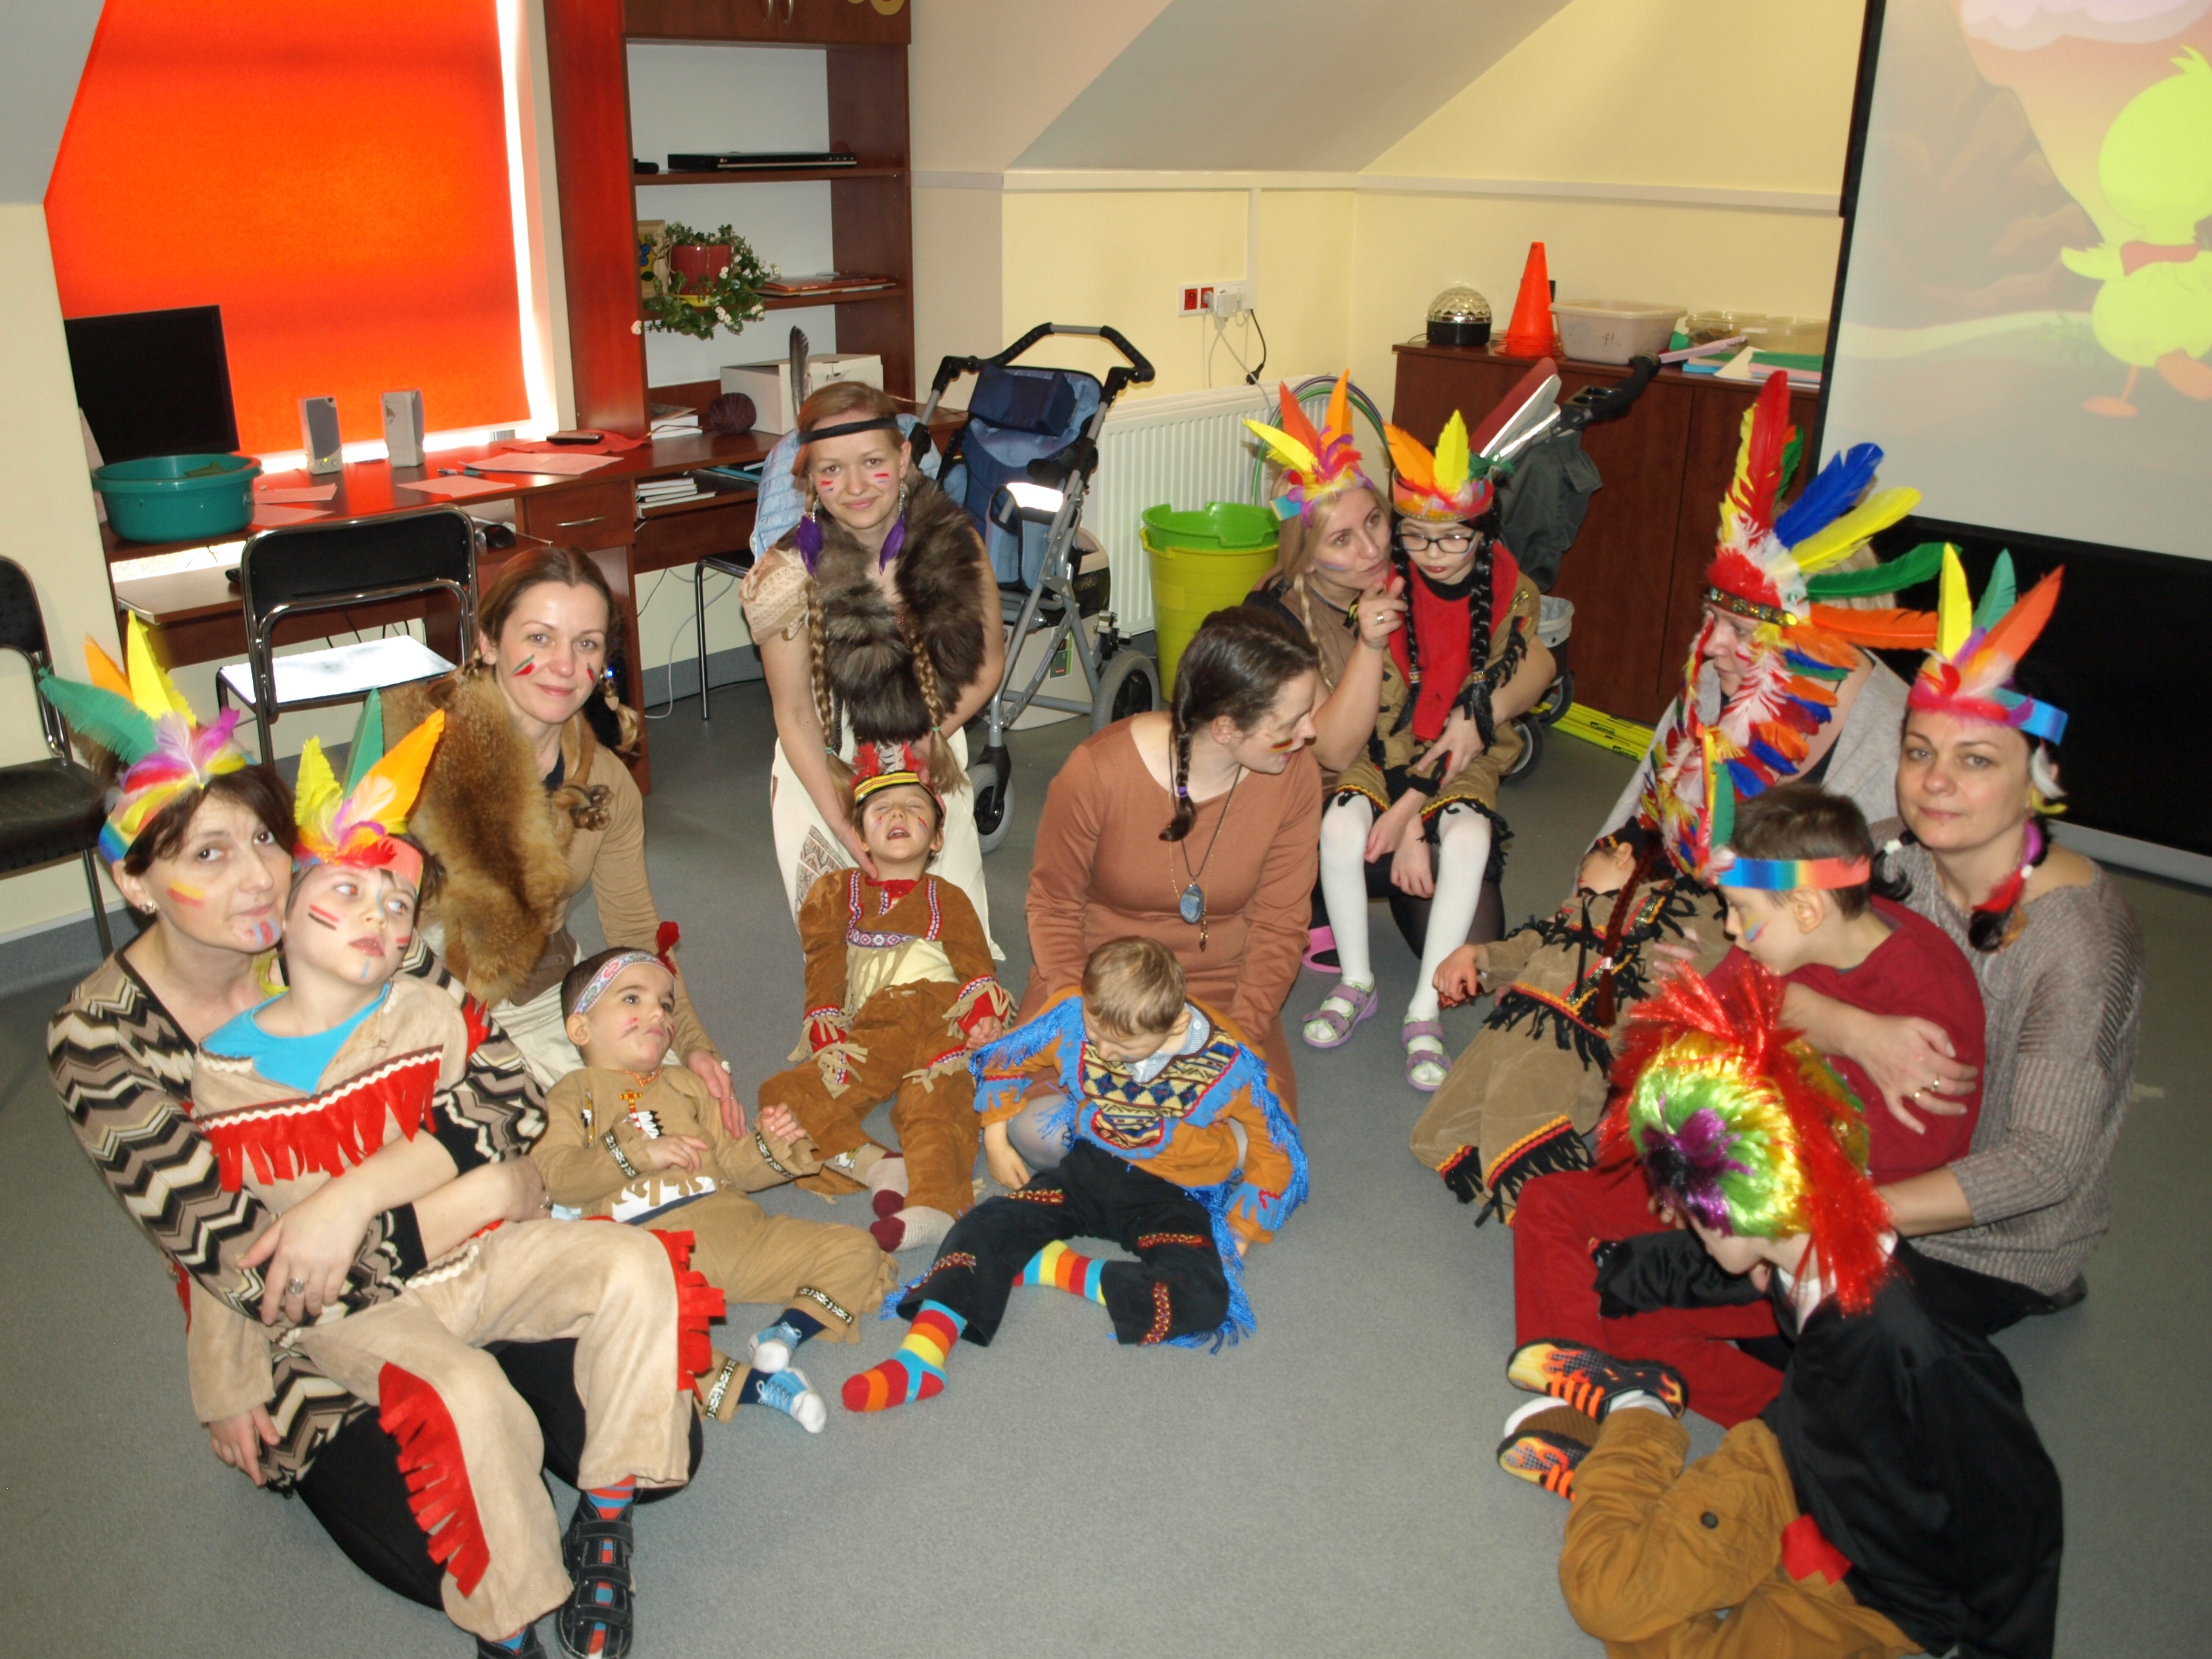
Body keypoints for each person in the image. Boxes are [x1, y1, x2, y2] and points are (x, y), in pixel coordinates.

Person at [42, 636, 661, 1655]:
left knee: (649, 1439)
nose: (258, 878)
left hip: (455, 1262)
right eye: (207, 855)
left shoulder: (340, 919)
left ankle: (504, 1394)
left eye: (263, 839)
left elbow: (507, 1093)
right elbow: (261, 1274)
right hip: (303, 1335)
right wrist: (480, 1193)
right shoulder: (100, 1039)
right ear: (138, 882)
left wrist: (351, 1201)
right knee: (447, 1550)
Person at [183, 712, 711, 1659]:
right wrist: (227, 1383)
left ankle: (605, 1516)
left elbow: (508, 1116)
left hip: (482, 1257)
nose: (383, 918)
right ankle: (506, 1626)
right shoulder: (226, 1072)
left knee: (639, 1267)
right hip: (359, 1312)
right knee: (468, 1395)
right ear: (284, 914)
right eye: (349, 891)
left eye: (399, 905)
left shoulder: (428, 1012)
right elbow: (222, 1248)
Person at [1420, 376, 1939, 1213]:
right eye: (1714, 616)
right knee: (1561, 998)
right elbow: (1640, 812)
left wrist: (1731, 971)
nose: (1714, 643)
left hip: (1799, 963)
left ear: (1817, 638)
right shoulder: (1719, 674)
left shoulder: (1895, 743)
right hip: (1689, 913)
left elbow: (1886, 941)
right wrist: (1591, 917)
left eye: (1742, 629)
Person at [1496, 965, 2060, 1659]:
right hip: (1783, 1464)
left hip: (1876, 1590)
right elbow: (1710, 1273)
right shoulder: (1796, 1248)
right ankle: (1638, 1414)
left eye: (1688, 1215)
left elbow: (2019, 1518)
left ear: (1736, 1213)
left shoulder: (1918, 1345)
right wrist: (1618, 1276)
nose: (1678, 1223)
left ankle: (1621, 1443)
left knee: (1630, 1619)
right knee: (1604, 1595)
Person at [1786, 550, 2144, 1336]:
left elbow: (2043, 1163)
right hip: (1866, 1156)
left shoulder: (2076, 944)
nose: (1935, 781)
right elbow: (1753, 973)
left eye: (1975, 760)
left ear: (2041, 776)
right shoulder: (1887, 859)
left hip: (1986, 1243)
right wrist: (1851, 1029)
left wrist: (1838, 1213)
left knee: (1813, 1325)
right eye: (1920, 751)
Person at [841, 939, 1307, 1412]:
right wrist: (996, 1138)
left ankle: (1059, 1268)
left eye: (1122, 1047)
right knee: (980, 1226)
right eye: (1095, 1033)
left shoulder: (1231, 1062)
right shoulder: (1074, 1016)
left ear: (1176, 1025)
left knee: (1204, 1298)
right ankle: (920, 1358)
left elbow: (1276, 1147)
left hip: (1173, 1195)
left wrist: (1242, 1227)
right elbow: (1007, 1056)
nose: (1101, 1050)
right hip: (1088, 1171)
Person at [1247, 392, 1553, 1091]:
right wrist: (1368, 642)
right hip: (1311, 810)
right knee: (1340, 830)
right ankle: (1320, 926)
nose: (1373, 547)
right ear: (1307, 556)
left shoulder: (1421, 573)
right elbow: (1336, 754)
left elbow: (1534, 658)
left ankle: (1415, 1004)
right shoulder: (1277, 616)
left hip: (1415, 784)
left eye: (1376, 522)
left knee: (1471, 948)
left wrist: (1479, 714)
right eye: (1341, 540)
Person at [384, 547, 734, 1126]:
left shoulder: (606, 783)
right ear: (489, 643)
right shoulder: (418, 756)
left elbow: (635, 930)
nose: (566, 666)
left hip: (539, 982)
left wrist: (695, 1044)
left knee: (677, 1109)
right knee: (527, 1134)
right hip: (415, 985)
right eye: (540, 638)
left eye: (587, 644)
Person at [531, 945, 896, 1434]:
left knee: (855, 1247)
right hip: (655, 1254)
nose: (657, 1015)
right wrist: (636, 1155)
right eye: (633, 999)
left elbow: (733, 1169)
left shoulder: (686, 1085)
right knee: (629, 1333)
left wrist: (771, 1147)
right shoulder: (570, 1096)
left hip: (737, 1227)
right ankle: (758, 1387)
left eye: (665, 1005)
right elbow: (554, 1175)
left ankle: (786, 1333)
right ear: (580, 1029)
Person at [1021, 605, 1322, 1114]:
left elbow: (1280, 924)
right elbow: (1053, 904)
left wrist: (1239, 1037)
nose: (1311, 732)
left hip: (1222, 985)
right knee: (1043, 1124)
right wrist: (1078, 1013)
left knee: (1250, 1132)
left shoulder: (1295, 775)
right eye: (1294, 722)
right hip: (1101, 983)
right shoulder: (1097, 771)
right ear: (1225, 728)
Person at [739, 381, 1007, 955]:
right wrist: (842, 822)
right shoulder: (783, 578)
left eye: (872, 462)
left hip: (934, 734)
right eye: (832, 470)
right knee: (848, 950)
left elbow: (987, 664)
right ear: (809, 478)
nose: (856, 486)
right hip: (824, 764)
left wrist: (926, 742)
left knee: (951, 944)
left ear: (904, 458)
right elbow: (795, 713)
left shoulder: (958, 544)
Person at [752, 739, 1012, 1255]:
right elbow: (823, 965)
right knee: (784, 1095)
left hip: (942, 1015)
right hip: (876, 1026)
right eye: (882, 809)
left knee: (939, 1103)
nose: (898, 815)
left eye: (915, 808)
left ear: (937, 838)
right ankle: (877, 1166)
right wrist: (824, 1023)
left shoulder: (948, 897)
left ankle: (937, 1206)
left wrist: (983, 1017)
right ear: (860, 835)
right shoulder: (836, 893)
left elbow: (975, 965)